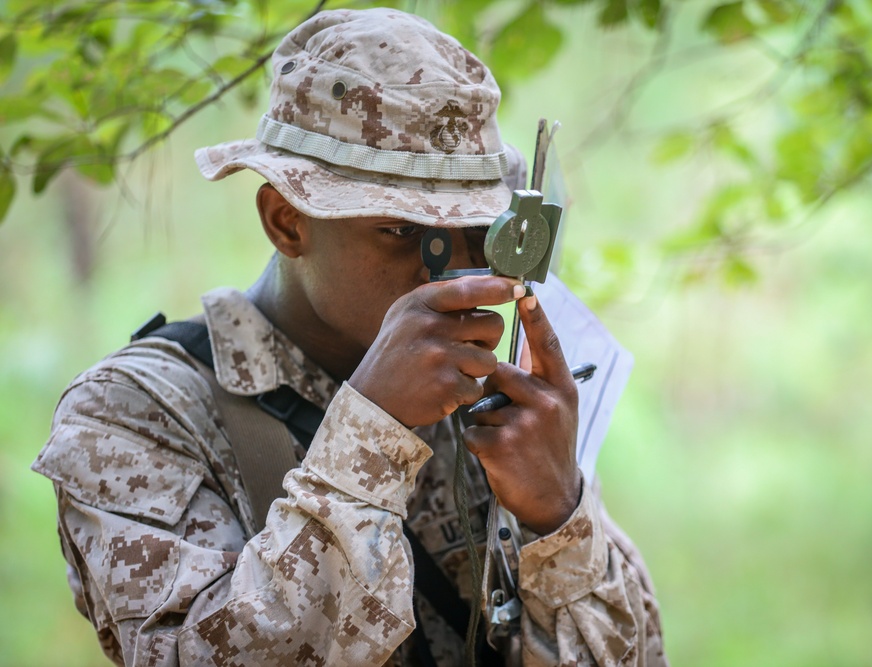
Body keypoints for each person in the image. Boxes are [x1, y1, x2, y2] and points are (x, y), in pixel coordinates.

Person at [32, 8, 666, 666]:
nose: (443, 268)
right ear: (287, 222)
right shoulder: (132, 415)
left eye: (475, 233)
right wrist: (370, 436)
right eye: (399, 231)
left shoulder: (487, 397)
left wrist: (557, 514)